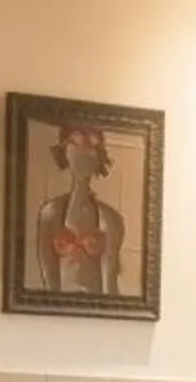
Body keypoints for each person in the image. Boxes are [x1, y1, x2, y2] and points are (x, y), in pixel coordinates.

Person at [33, 123, 127, 297]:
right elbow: (48, 274)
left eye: (92, 145)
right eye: (76, 142)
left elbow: (110, 284)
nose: (83, 153)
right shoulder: (51, 213)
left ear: (99, 156)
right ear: (64, 150)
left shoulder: (110, 218)